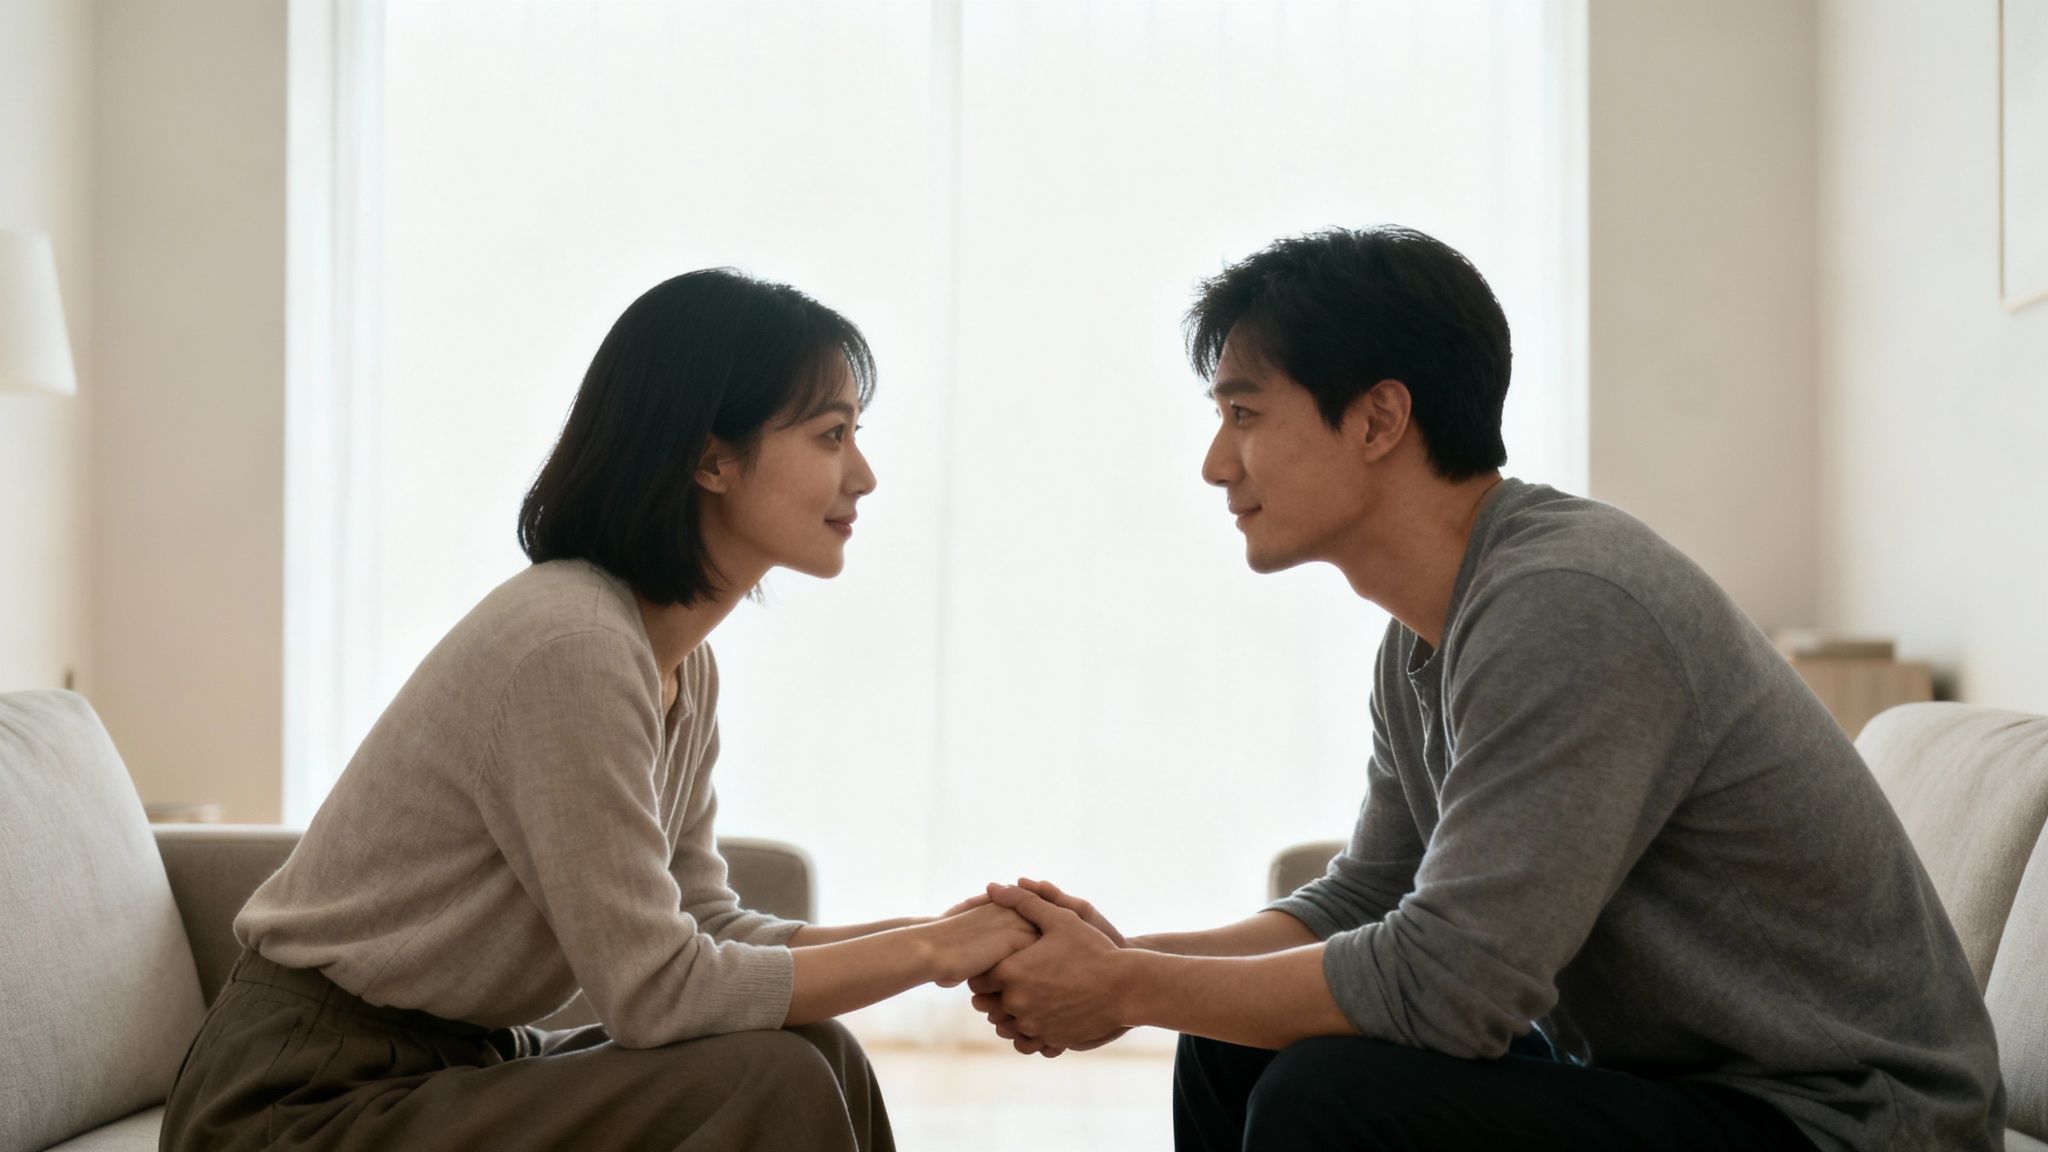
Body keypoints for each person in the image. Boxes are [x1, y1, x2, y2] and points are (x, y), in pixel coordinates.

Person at [965, 226, 2005, 1151]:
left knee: (1327, 1098)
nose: (1210, 463)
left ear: (1376, 421)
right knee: (1227, 1046)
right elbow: (1367, 896)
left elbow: (1451, 988)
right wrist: (1116, 959)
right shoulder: (1429, 625)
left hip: (1843, 1123)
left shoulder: (1568, 604)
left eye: (1242, 412)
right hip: (1684, 1091)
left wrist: (1125, 990)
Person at [161, 269, 1036, 1152]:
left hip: (447, 1067)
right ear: (710, 459)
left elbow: (703, 922)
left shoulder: (678, 667)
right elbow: (656, 993)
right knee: (768, 1075)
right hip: (294, 1103)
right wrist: (932, 957)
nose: (865, 475)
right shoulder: (572, 647)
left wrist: (943, 931)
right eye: (831, 435)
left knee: (815, 1045)